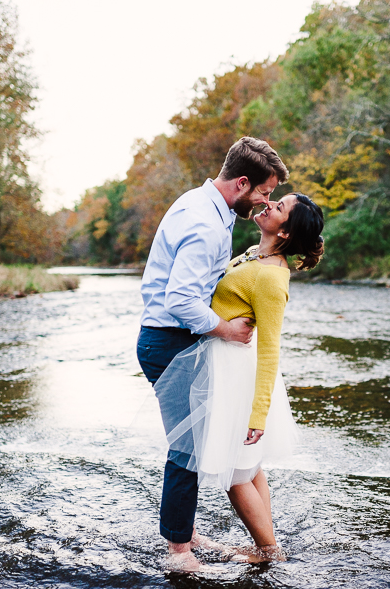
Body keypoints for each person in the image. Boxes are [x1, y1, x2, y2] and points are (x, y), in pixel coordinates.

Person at [136, 137, 290, 571]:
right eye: (262, 192)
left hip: (175, 339)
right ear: (242, 182)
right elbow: (181, 301)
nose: (264, 202)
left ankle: (183, 532)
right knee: (187, 448)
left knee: (197, 443)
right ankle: (179, 553)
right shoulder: (205, 223)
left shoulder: (206, 206)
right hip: (170, 342)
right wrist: (228, 330)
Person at [154, 192, 325, 563]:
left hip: (237, 374)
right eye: (274, 200)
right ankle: (270, 543)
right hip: (225, 366)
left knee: (234, 472)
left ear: (284, 233)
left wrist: (258, 413)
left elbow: (270, 350)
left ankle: (268, 552)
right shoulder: (255, 254)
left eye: (279, 208)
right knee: (249, 467)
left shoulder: (270, 277)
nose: (269, 205)